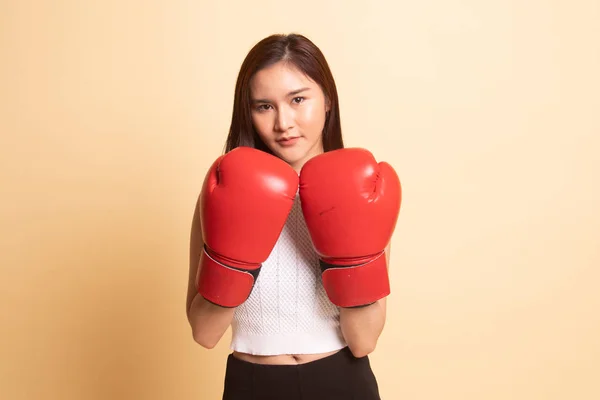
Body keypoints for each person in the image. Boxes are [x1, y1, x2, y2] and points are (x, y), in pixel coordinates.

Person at [186, 33, 402, 400]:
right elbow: (204, 333)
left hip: (342, 381)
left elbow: (363, 341)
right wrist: (234, 261)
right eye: (264, 106)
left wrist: (349, 254)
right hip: (252, 384)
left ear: (327, 100)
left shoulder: (362, 188)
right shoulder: (222, 189)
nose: (284, 122)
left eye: (298, 99)